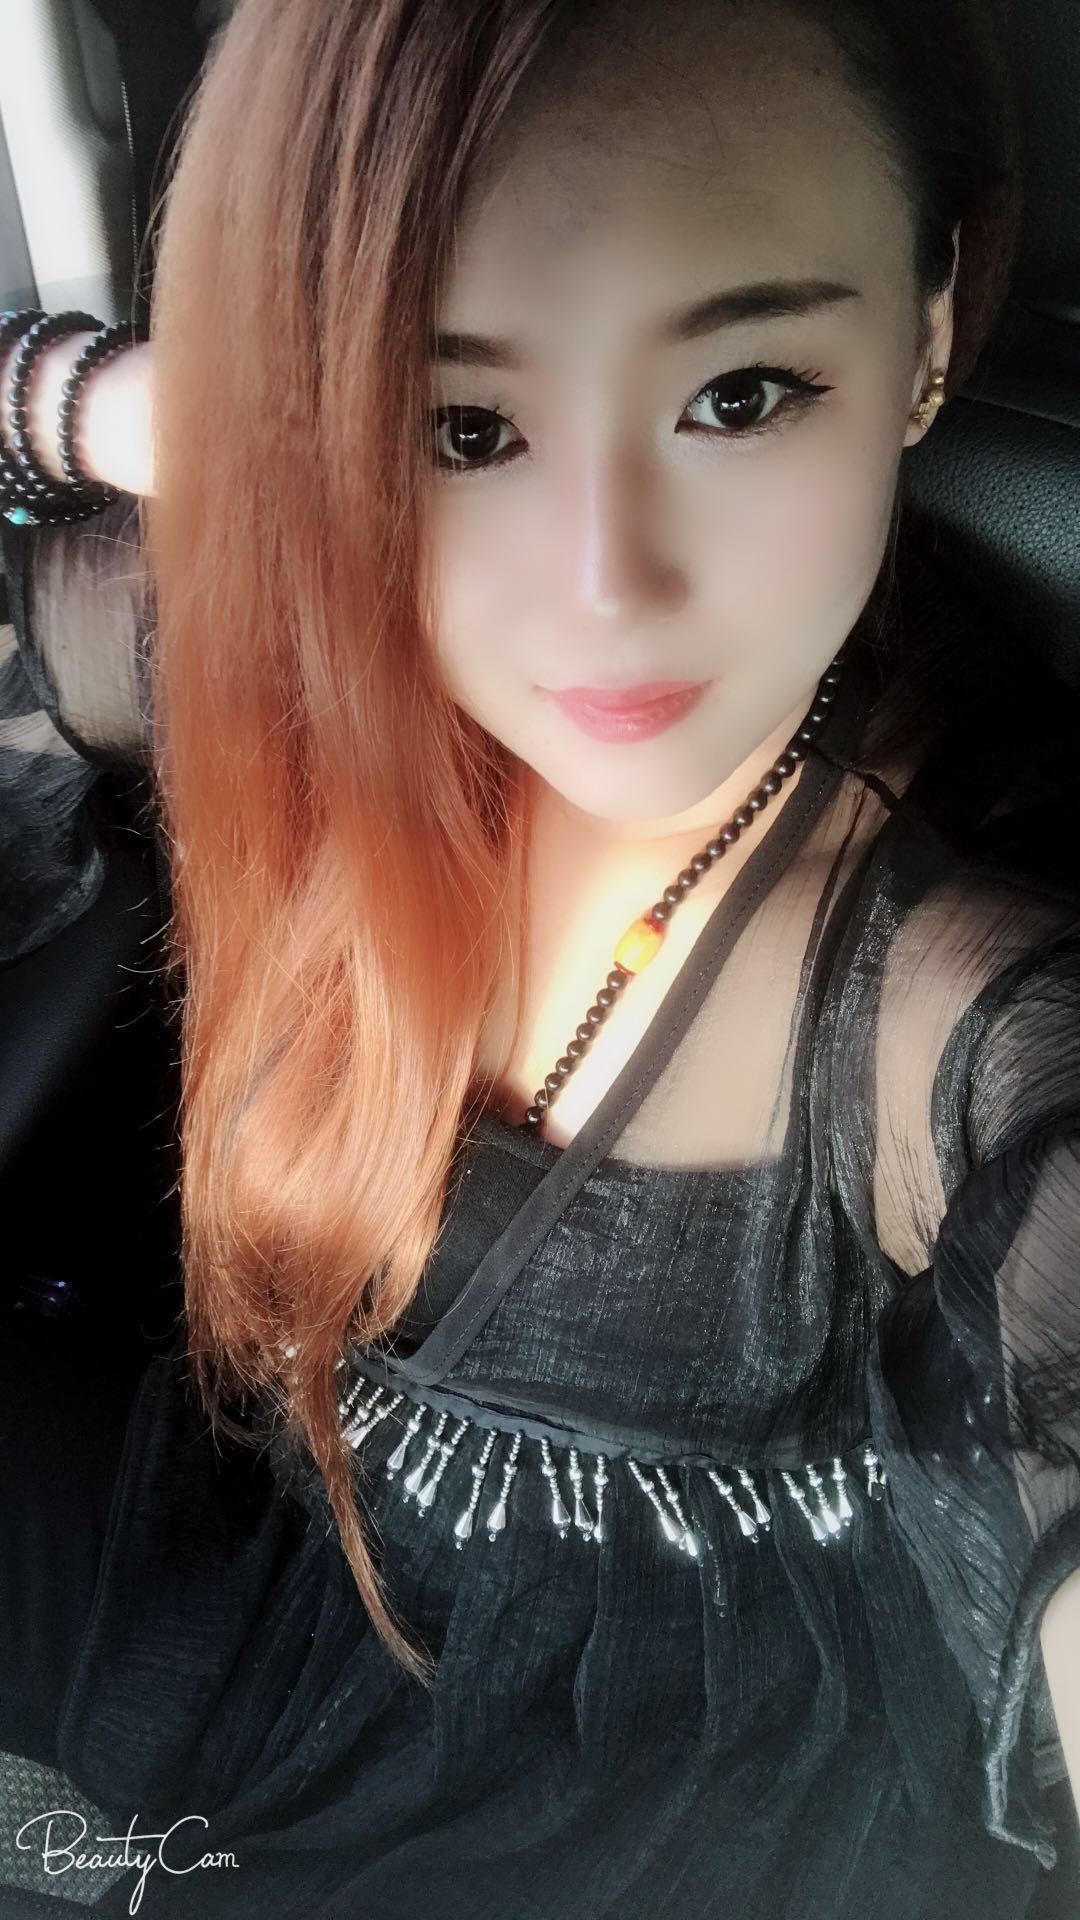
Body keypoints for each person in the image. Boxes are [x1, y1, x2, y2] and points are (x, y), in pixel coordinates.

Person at [1, 0, 1079, 1914]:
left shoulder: (957, 1017)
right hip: (271, 1579)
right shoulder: (306, 688)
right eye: (462, 425)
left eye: (742, 392)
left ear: (927, 331)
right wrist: (141, 410)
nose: (605, 589)